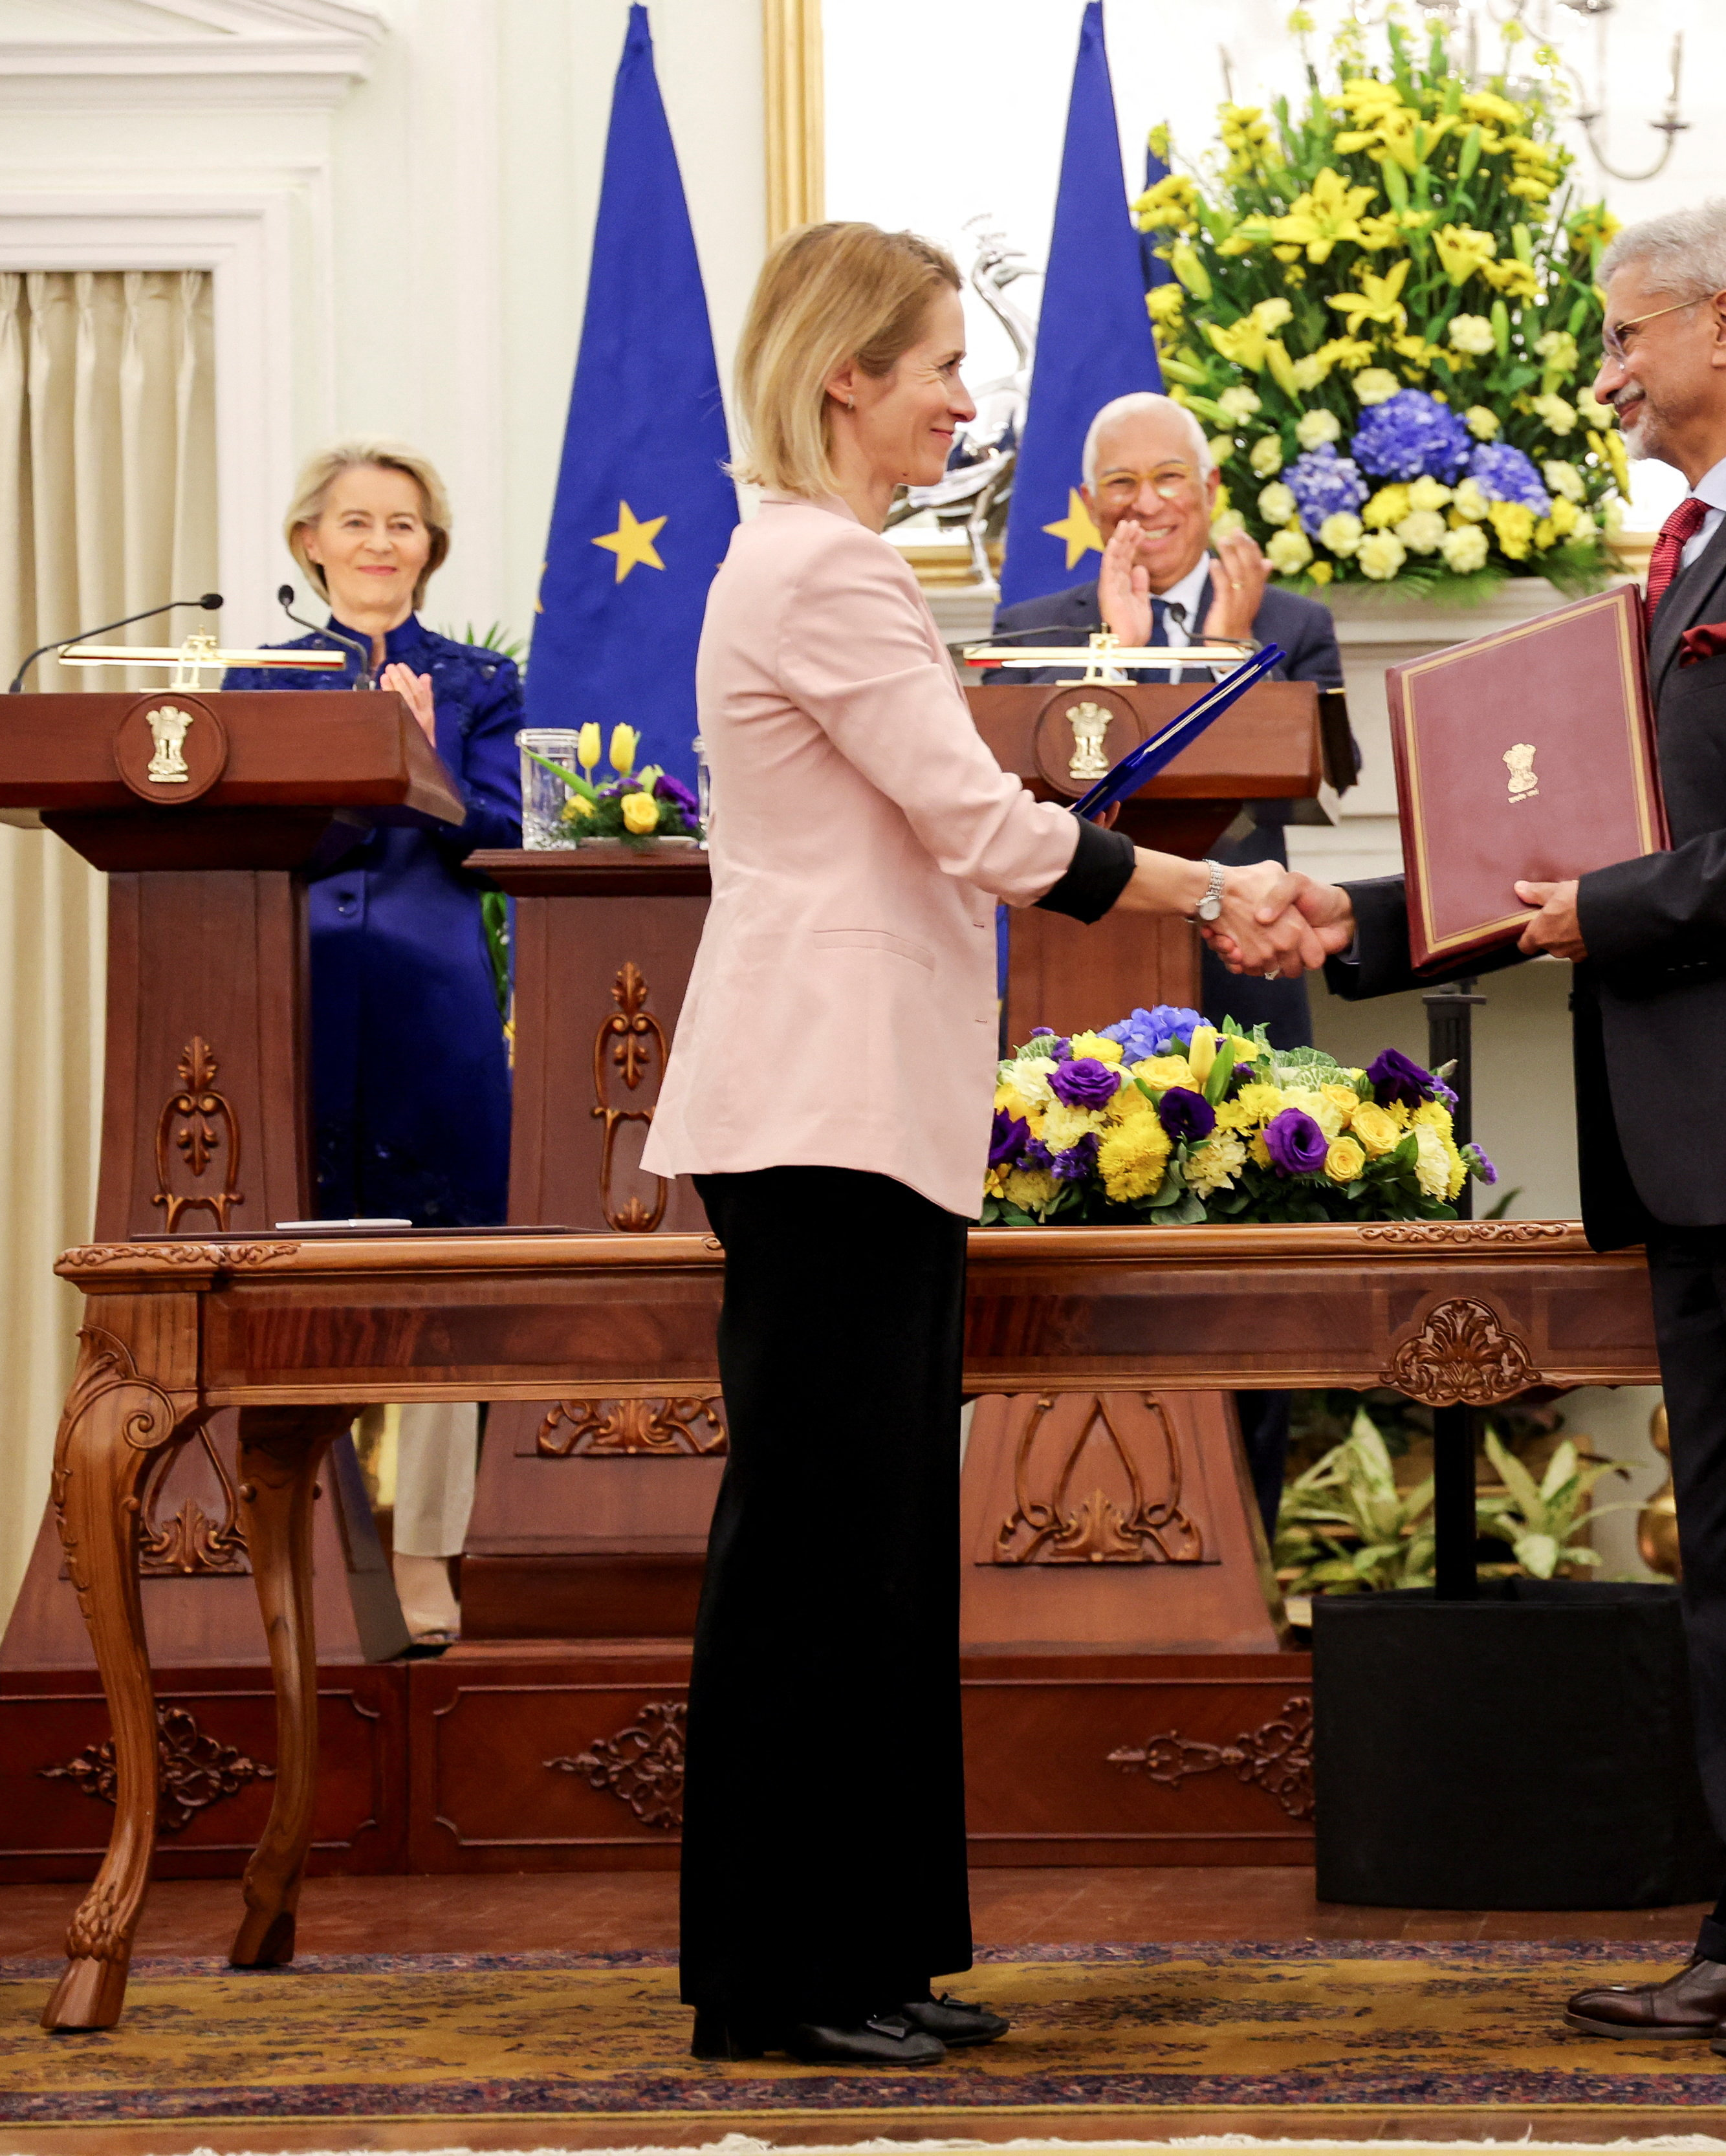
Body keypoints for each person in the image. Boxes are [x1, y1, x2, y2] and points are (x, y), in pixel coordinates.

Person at [1232, 198, 1726, 2068]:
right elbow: (1570, 838)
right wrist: (1374, 920)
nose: (1607, 369)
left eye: (1627, 335)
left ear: (1724, 325)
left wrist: (1619, 910)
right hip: (1692, 1144)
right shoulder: (1681, 560)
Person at [638, 221, 1332, 2070]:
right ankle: (781, 1973)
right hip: (826, 1102)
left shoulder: (811, 561)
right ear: (846, 372)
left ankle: (852, 1952)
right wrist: (1220, 887)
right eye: (941, 361)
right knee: (818, 1538)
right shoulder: (830, 568)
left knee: (863, 1533)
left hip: (848, 1105)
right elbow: (988, 828)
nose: (965, 395)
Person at [984, 389, 1350, 1526]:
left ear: (1209, 492)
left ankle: (1246, 1527)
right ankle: (1068, 1520)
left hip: (1248, 954)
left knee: (1253, 1239)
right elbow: (1034, 793)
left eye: (1170, 482)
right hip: (1085, 961)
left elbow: (1318, 778)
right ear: (1093, 506)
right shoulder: (1039, 625)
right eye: (1123, 488)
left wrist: (1230, 655)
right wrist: (1124, 654)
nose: (1149, 507)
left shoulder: (1291, 616)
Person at [226, 440, 523, 1648]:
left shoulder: (482, 678)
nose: (380, 543)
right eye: (356, 522)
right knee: (301, 1283)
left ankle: (419, 1555)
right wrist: (364, 766)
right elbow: (256, 835)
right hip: (294, 995)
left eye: (404, 524)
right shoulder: (260, 677)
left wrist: (422, 756)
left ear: (430, 548)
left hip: (434, 1006)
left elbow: (503, 825)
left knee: (441, 1281)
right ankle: (301, 1554)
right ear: (311, 542)